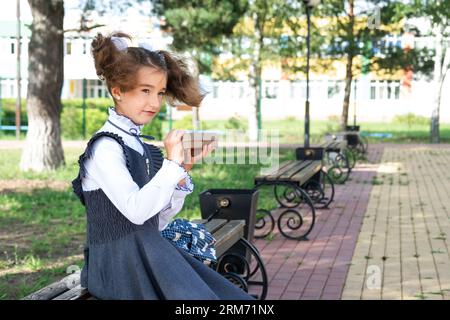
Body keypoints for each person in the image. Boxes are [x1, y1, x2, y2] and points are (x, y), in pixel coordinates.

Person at [71, 32, 254, 300]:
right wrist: (170, 164)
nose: (155, 103)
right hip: (117, 266)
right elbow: (136, 211)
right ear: (117, 91)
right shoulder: (105, 148)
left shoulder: (139, 145)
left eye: (159, 92)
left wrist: (182, 169)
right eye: (145, 91)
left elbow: (155, 221)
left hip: (147, 253)